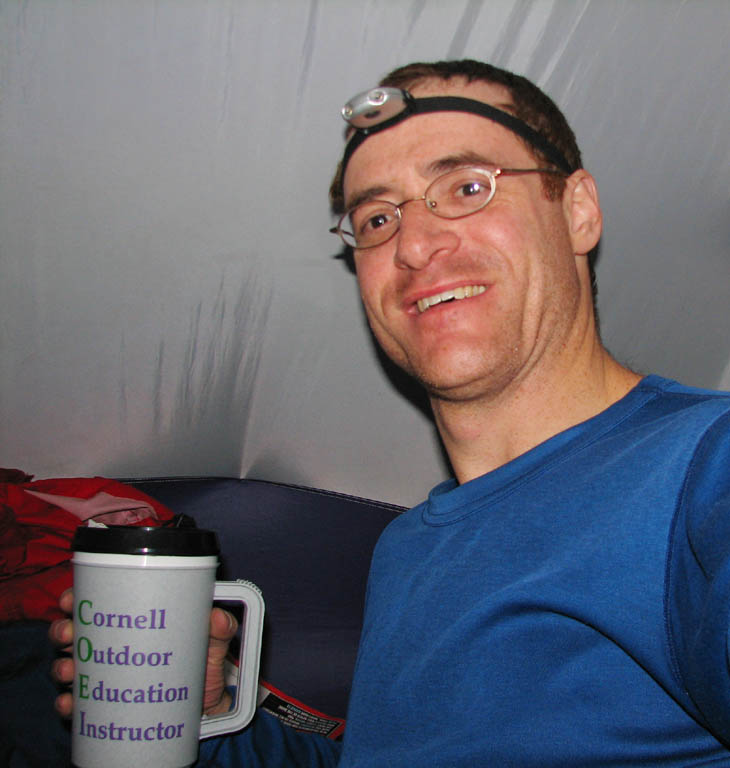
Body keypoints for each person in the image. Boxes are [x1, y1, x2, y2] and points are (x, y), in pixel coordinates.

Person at [51, 59, 730, 766]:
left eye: (466, 187)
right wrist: (216, 712)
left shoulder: (704, 467)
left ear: (578, 210)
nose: (413, 245)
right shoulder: (409, 546)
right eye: (377, 217)